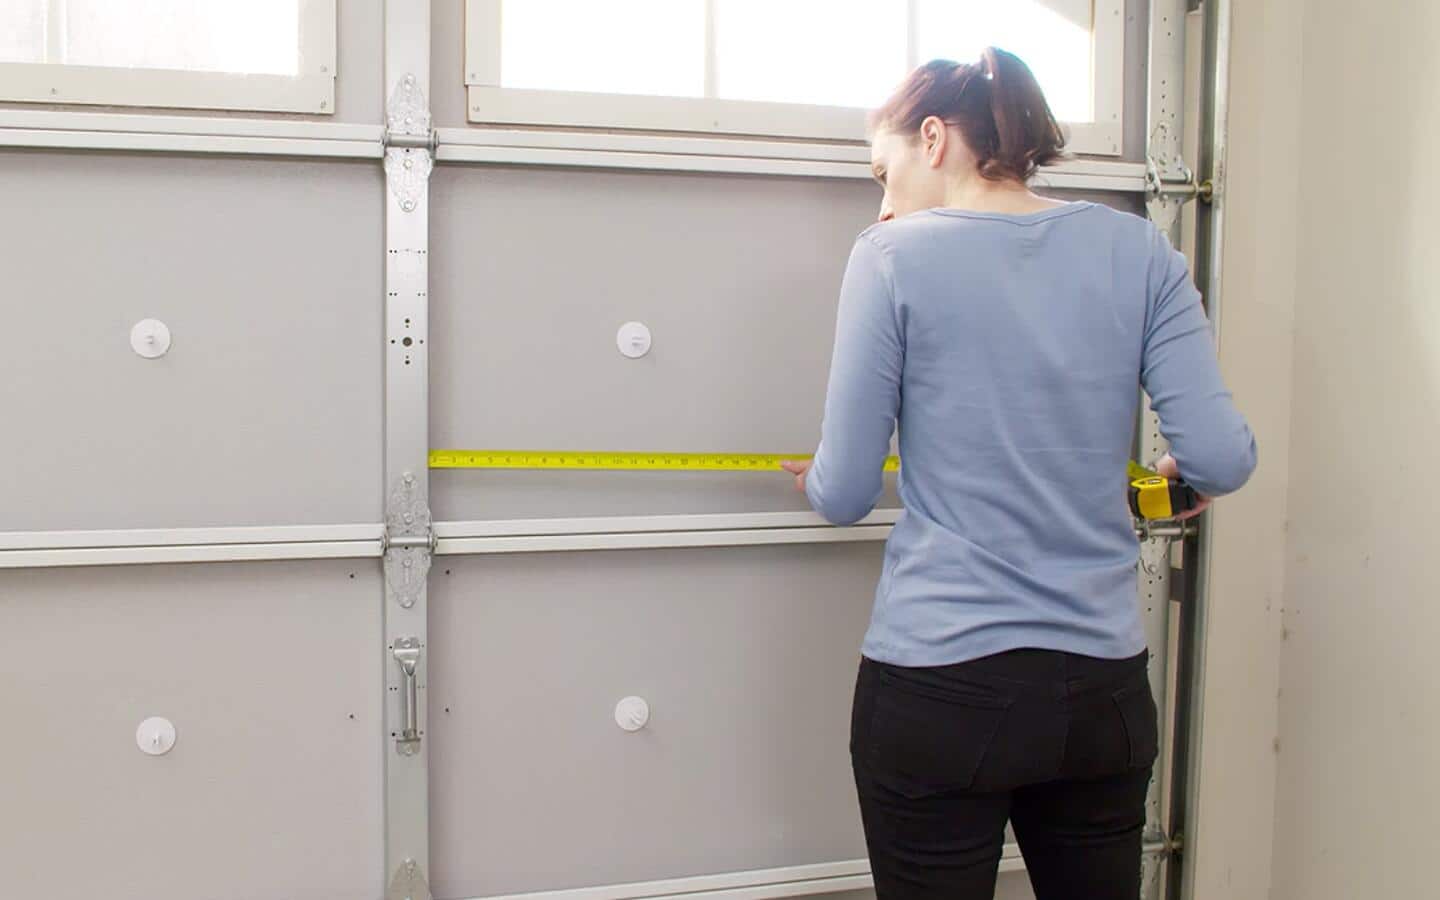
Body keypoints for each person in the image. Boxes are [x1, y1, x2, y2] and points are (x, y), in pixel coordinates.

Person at [780, 48, 1256, 900]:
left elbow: (846, 493)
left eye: (884, 173)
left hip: (941, 689)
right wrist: (1179, 484)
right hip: (1102, 698)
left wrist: (816, 479)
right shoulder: (1139, 250)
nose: (883, 203)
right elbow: (1220, 458)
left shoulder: (891, 256)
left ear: (934, 138)